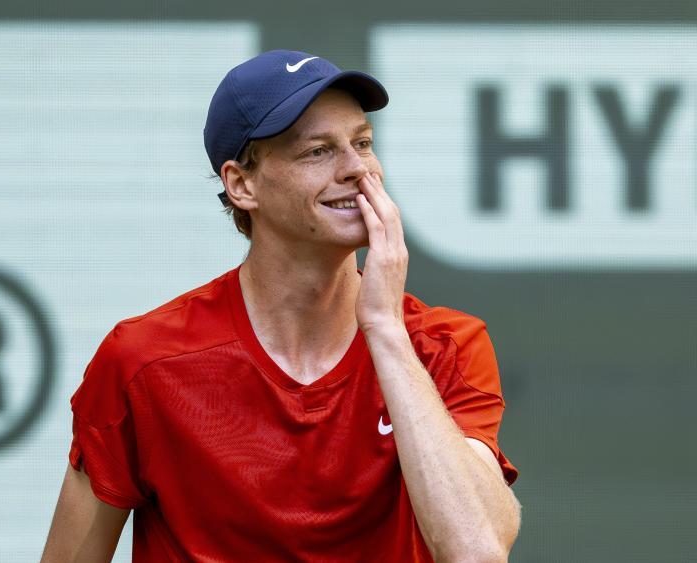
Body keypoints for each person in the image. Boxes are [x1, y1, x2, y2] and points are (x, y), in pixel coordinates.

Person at [41, 50, 521, 562]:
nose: (358, 169)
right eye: (318, 151)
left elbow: (477, 552)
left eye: (362, 143)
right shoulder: (142, 361)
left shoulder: (443, 345)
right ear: (242, 184)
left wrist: (383, 328)